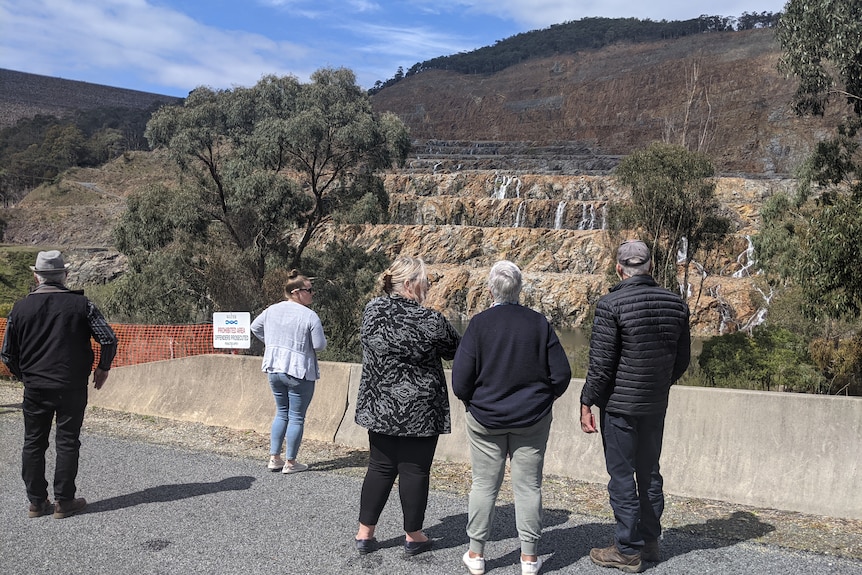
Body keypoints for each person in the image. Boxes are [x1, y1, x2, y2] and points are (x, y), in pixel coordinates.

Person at [452, 260, 572, 575]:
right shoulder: (539, 323)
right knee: (529, 487)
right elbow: (561, 375)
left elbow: (460, 381)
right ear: (519, 290)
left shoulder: (478, 324)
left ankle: (476, 555)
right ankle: (530, 559)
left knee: (483, 485)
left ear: (491, 289)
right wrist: (542, 401)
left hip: (485, 420)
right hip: (531, 420)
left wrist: (473, 403)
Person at [580, 240, 691, 573]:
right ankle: (650, 541)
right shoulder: (677, 304)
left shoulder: (610, 304)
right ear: (650, 266)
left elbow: (600, 366)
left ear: (619, 268)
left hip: (619, 407)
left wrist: (586, 402)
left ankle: (628, 550)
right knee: (650, 471)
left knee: (622, 476)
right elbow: (682, 359)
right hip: (655, 405)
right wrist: (659, 385)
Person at [353, 256, 461, 557]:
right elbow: (457, 349)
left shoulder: (372, 310)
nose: (428, 286)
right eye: (425, 281)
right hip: (421, 410)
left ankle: (365, 534)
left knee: (379, 467)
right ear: (410, 284)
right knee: (415, 470)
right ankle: (413, 535)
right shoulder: (431, 320)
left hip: (380, 405)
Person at [1, 250, 118, 519]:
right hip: (71, 386)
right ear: (65, 275)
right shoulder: (82, 305)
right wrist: (103, 368)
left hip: (35, 387)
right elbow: (108, 339)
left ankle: (36, 502)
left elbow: (7, 353)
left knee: (33, 443)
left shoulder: (19, 308)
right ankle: (64, 502)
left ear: (36, 276)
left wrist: (25, 376)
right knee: (67, 442)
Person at [251, 270, 326, 474]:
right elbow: (319, 345)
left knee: (281, 412)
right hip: (299, 370)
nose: (312, 293)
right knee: (296, 417)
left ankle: (274, 457)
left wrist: (274, 343)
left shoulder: (271, 310)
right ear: (296, 292)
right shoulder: (309, 316)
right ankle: (291, 463)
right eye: (309, 290)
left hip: (274, 367)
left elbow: (255, 327)